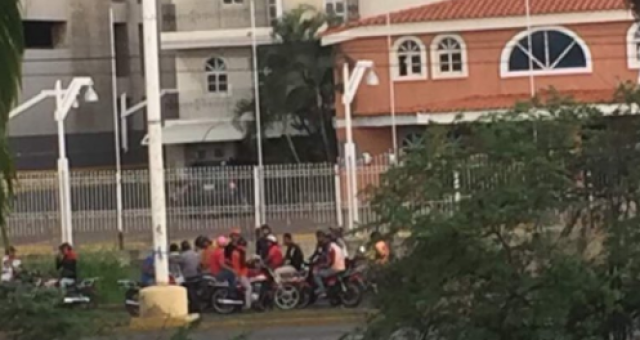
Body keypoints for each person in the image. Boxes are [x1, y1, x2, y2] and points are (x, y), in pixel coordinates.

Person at [313, 231, 346, 298]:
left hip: (334, 267)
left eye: (319, 237)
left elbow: (329, 261)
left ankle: (323, 290)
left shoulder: (329, 246)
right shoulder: (325, 245)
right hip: (340, 264)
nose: (318, 239)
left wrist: (321, 266)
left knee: (316, 273)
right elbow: (317, 253)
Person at [228, 229, 251, 309]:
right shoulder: (238, 252)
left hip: (239, 273)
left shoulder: (237, 251)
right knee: (249, 288)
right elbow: (242, 264)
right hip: (240, 274)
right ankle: (248, 306)